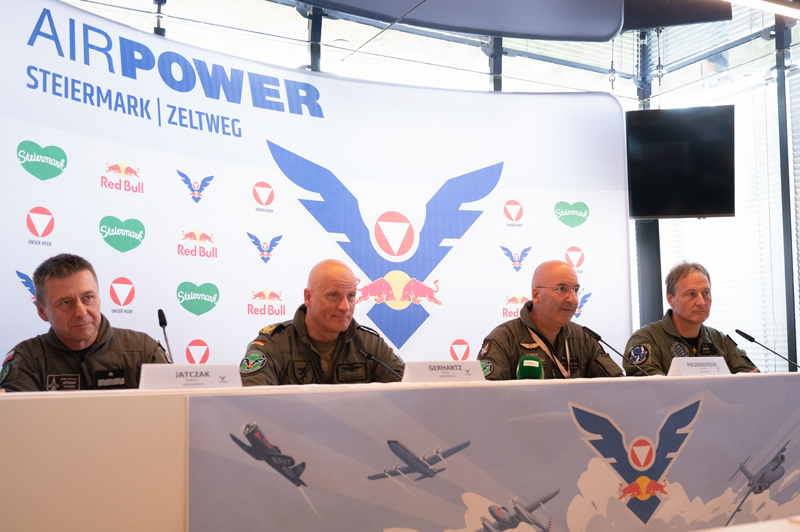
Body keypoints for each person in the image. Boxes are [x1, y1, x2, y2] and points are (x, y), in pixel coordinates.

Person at [0, 254, 170, 392]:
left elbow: (173, 413)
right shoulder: (27, 360)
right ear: (42, 311)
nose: (81, 312)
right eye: (66, 302)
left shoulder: (143, 351)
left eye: (88, 298)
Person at [239, 259, 404, 385]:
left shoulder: (371, 346)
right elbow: (254, 405)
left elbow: (408, 394)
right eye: (334, 295)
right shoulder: (273, 344)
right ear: (308, 298)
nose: (345, 307)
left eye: (351, 296)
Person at [478, 260, 623, 380]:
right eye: (561, 289)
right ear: (536, 295)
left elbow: (619, 388)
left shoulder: (584, 338)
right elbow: (486, 399)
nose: (573, 300)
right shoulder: (503, 340)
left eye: (576, 290)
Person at [624, 261, 758, 376]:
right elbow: (649, 388)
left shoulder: (719, 340)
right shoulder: (646, 339)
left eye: (706, 293)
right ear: (670, 299)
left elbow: (751, 377)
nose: (701, 302)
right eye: (691, 294)